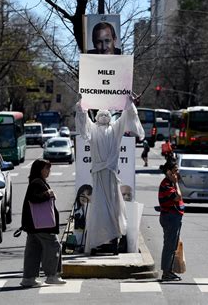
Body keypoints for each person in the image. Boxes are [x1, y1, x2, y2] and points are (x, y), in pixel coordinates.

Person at [75, 95, 144, 255]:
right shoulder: (93, 129)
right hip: (99, 175)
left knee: (113, 206)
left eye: (107, 114)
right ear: (97, 117)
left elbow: (127, 115)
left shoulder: (115, 129)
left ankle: (112, 238)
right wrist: (81, 104)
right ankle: (98, 240)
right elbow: (83, 122)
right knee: (99, 207)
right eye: (101, 114)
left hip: (111, 176)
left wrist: (130, 103)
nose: (105, 117)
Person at [20, 158, 66, 287]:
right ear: (40, 169)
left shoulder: (35, 182)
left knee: (33, 251)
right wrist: (48, 194)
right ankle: (52, 275)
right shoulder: (37, 183)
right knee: (54, 246)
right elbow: (33, 199)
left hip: (34, 225)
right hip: (42, 225)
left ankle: (28, 279)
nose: (49, 171)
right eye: (47, 168)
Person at [158, 159, 184, 281]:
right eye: (175, 171)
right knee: (169, 245)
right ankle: (166, 272)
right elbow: (178, 197)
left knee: (172, 245)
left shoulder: (170, 183)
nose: (177, 173)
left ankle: (169, 271)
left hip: (174, 217)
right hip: (170, 217)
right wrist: (176, 183)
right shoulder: (167, 185)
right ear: (169, 172)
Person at [73, 184, 92, 250]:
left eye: (87, 195)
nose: (84, 197)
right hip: (77, 244)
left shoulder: (93, 210)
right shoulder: (76, 209)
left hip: (88, 245)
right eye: (82, 195)